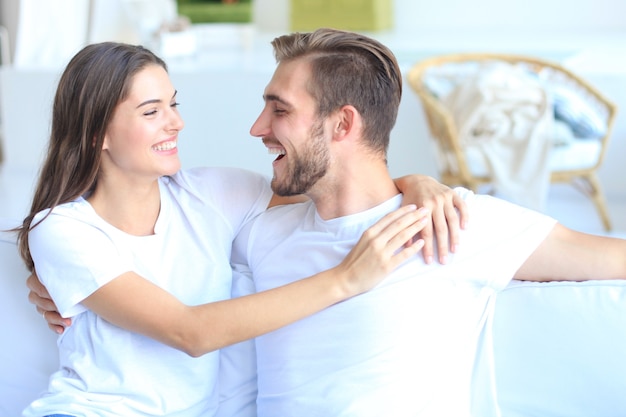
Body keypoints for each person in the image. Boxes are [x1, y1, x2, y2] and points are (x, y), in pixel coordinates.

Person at [15, 42, 466, 417]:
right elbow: (189, 332)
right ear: (98, 134)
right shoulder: (62, 228)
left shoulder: (212, 193)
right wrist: (346, 279)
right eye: (152, 111)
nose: (176, 122)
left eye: (173, 104)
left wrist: (416, 183)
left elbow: (336, 182)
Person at [224, 28, 626, 416]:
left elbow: (612, 258)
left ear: (343, 124)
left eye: (280, 110)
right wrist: (415, 181)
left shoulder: (452, 223)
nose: (257, 128)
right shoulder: (262, 230)